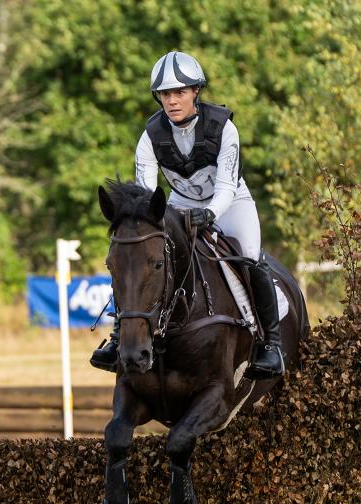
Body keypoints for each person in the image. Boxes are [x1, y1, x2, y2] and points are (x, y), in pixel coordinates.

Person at [91, 51, 285, 380]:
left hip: (231, 202)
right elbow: (146, 195)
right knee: (138, 258)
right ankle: (116, 337)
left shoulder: (224, 127)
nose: (172, 101)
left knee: (250, 257)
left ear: (196, 91)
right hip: (178, 204)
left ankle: (272, 346)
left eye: (180, 92)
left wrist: (209, 214)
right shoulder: (149, 137)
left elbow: (225, 185)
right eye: (166, 94)